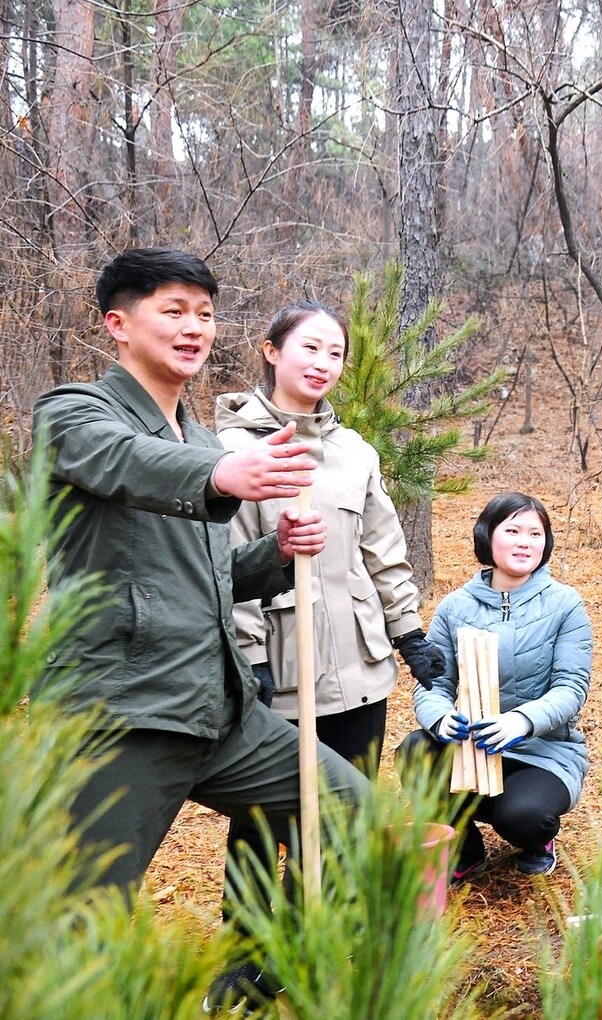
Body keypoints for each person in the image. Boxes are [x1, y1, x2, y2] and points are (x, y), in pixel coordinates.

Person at [31, 248, 369, 1013]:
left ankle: (253, 974)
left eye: (206, 314)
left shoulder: (199, 438)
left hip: (221, 711)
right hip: (124, 716)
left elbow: (212, 581)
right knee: (81, 919)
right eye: (173, 310)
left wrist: (276, 556)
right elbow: (121, 461)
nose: (195, 328)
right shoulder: (73, 412)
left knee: (359, 814)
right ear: (118, 325)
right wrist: (218, 479)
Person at [213, 302, 445, 947]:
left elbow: (384, 552)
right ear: (270, 350)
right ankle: (249, 947)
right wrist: (248, 658)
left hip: (359, 667)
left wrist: (410, 634)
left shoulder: (354, 454)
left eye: (336, 354)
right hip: (282, 670)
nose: (323, 364)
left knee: (348, 808)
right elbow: (224, 569)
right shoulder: (231, 453)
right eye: (309, 348)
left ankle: (323, 934)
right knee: (261, 815)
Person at [397, 493, 592, 879]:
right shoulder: (456, 606)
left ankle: (537, 839)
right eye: (513, 530)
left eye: (535, 533)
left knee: (524, 818)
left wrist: (520, 722)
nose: (525, 541)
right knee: (416, 750)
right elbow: (434, 681)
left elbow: (571, 687)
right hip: (470, 746)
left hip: (541, 750)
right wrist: (440, 719)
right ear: (488, 536)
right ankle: (464, 850)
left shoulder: (565, 604)